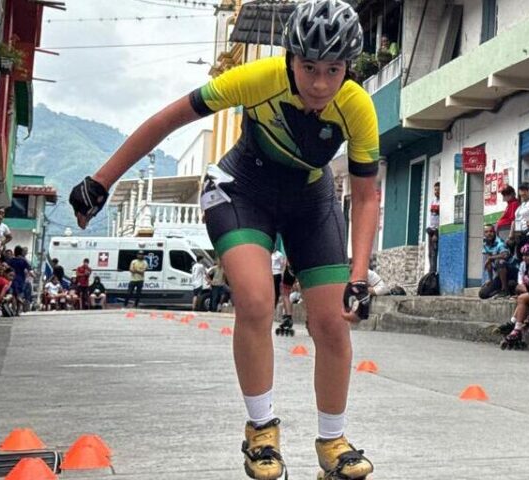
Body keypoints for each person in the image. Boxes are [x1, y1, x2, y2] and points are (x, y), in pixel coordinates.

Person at [67, 3, 380, 476]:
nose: (319, 83)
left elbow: (366, 195)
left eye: (333, 70)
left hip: (310, 199)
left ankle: (333, 442)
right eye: (308, 67)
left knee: (333, 320)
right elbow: (167, 120)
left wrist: (359, 276)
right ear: (290, 58)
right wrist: (101, 180)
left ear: (348, 68)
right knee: (255, 300)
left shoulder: (357, 106)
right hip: (242, 189)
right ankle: (261, 431)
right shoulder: (256, 77)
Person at [477, 224, 513, 299]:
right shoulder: (485, 244)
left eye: (491, 231)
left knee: (500, 262)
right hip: (499, 276)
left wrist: (491, 258)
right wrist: (490, 280)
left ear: (495, 232)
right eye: (486, 232)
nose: (489, 234)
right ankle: (499, 290)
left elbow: (505, 255)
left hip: (510, 272)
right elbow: (488, 264)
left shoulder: (500, 243)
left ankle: (504, 290)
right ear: (484, 233)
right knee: (482, 294)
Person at [6, 246, 32, 313]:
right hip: (21, 279)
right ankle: (18, 310)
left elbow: (7, 267)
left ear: (14, 252)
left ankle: (14, 309)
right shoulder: (23, 260)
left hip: (13, 279)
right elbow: (29, 268)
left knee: (14, 295)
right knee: (19, 294)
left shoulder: (11, 260)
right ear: (21, 252)